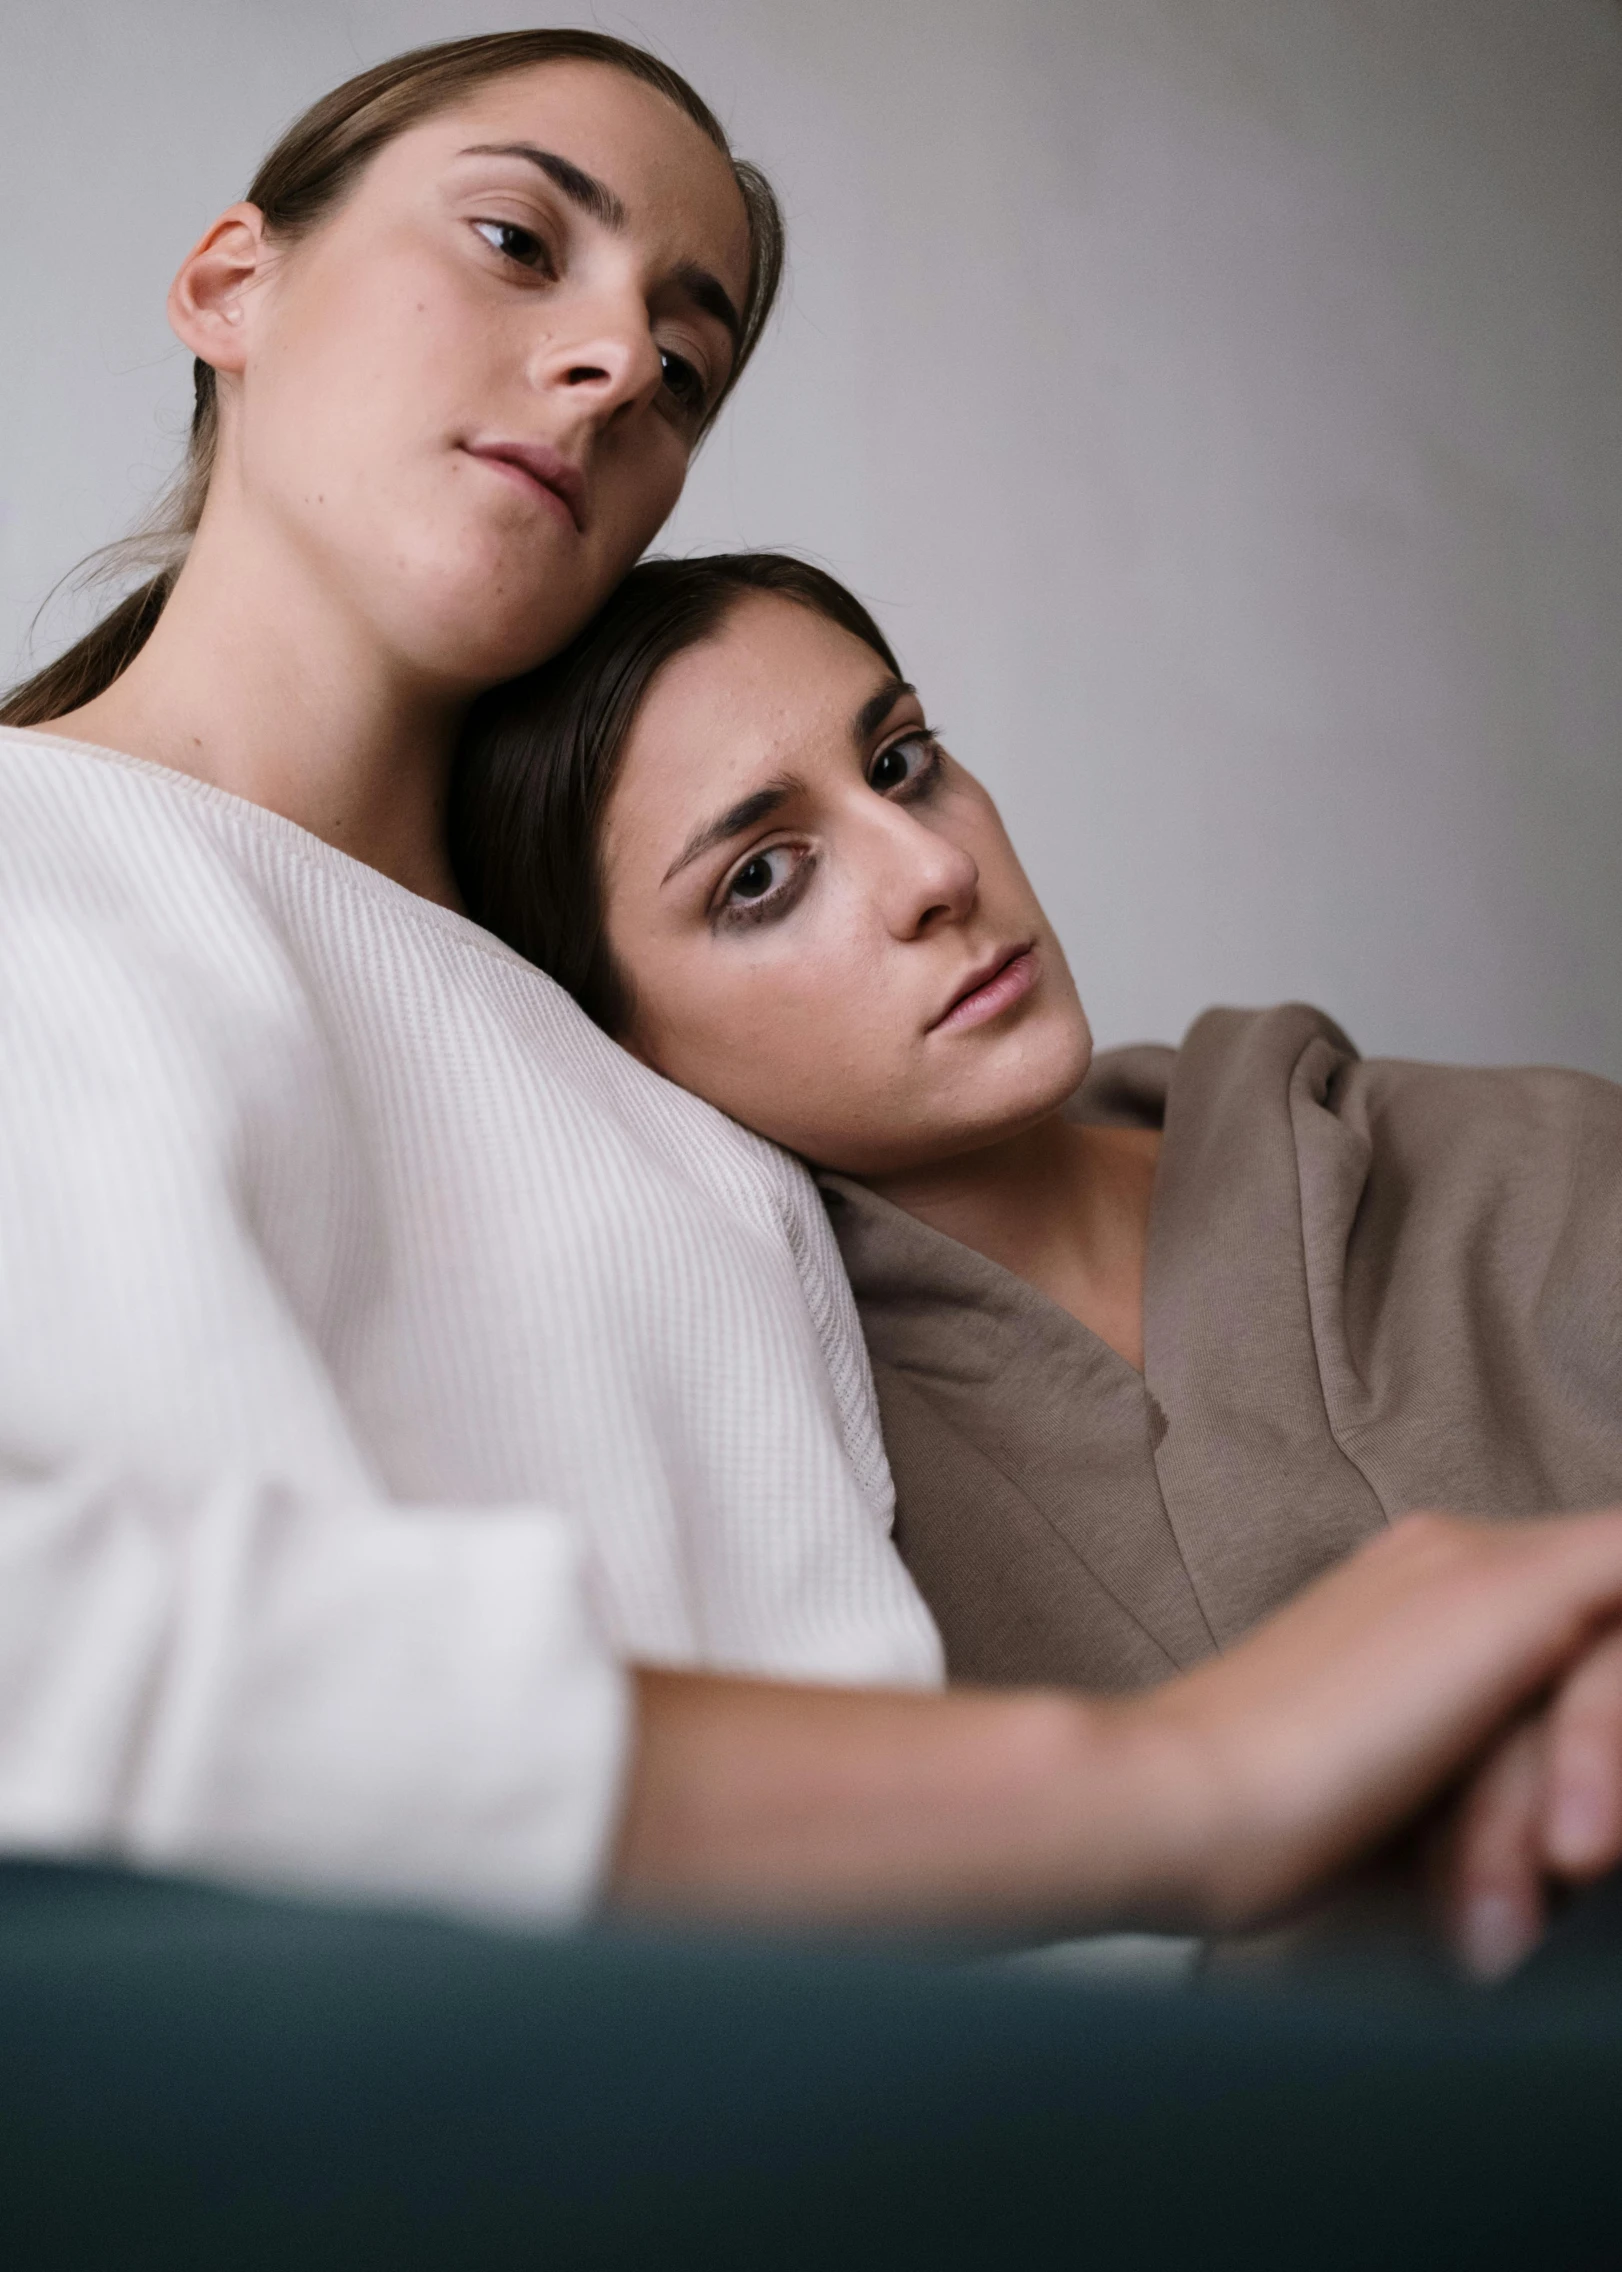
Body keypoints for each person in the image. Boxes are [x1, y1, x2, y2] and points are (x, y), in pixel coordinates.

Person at [2, 38, 1619, 1986]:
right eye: (519, 240)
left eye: (685, 367)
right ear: (228, 282)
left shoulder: (675, 1095)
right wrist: (1180, 1778)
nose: (615, 367)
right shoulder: (60, 881)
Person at [450, 548, 1622, 1973]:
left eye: (900, 762)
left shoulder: (1522, 1159)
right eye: (761, 877)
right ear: (609, 1043)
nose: (935, 872)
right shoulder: (764, 1494)